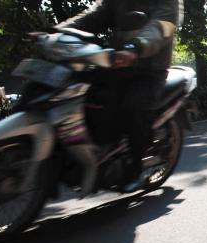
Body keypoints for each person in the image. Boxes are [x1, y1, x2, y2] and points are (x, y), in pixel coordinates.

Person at [56, 0, 183, 192]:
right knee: (84, 94)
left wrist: (136, 47)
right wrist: (58, 31)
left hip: (148, 70)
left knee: (133, 107)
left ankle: (135, 167)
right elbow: (94, 16)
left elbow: (161, 25)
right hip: (115, 64)